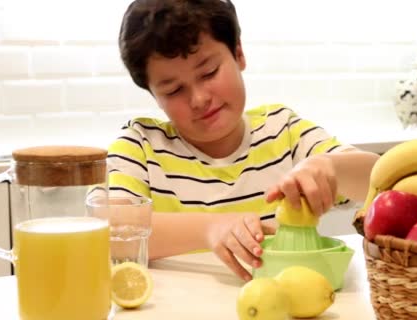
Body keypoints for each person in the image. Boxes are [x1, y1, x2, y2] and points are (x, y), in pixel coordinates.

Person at [110, 0, 380, 281]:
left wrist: (330, 167)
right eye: (174, 89)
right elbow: (111, 231)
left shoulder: (283, 131)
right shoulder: (140, 145)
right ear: (154, 95)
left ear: (238, 53)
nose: (199, 99)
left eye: (209, 72)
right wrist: (210, 228)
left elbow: (379, 181)